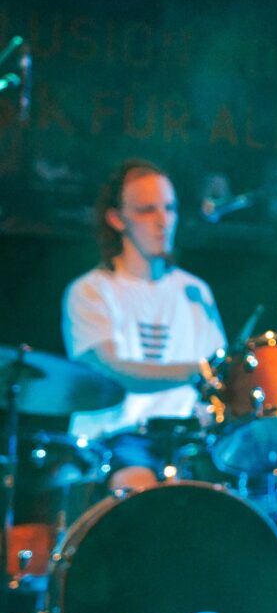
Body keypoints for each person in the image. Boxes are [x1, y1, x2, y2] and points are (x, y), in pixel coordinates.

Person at [62, 158, 226, 490]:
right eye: (147, 210)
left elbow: (219, 374)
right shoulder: (91, 290)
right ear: (116, 218)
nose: (163, 221)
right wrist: (197, 370)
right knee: (142, 493)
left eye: (170, 208)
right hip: (117, 440)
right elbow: (112, 371)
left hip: (186, 440)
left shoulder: (195, 291)